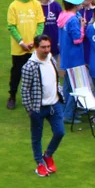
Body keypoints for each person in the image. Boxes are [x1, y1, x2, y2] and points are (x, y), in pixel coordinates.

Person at [19, 35, 64, 177]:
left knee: (60, 132)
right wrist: (30, 109)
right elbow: (24, 89)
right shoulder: (29, 66)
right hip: (38, 107)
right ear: (36, 47)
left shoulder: (51, 59)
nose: (46, 50)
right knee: (36, 136)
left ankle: (48, 155)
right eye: (43, 47)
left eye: (48, 47)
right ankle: (39, 163)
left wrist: (60, 95)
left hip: (54, 104)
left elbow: (55, 80)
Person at [6, 0, 43, 110]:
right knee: (16, 72)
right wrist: (21, 42)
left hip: (33, 48)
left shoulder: (36, 4)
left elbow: (40, 23)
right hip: (19, 48)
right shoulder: (14, 6)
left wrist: (34, 41)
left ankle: (34, 97)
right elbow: (11, 26)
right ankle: (12, 96)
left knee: (35, 73)